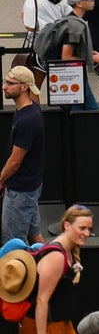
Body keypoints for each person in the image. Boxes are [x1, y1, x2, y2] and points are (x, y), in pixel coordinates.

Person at [0, 68, 44, 244]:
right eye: (5, 82)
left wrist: (1, 180)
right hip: (30, 187)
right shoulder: (30, 110)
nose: (4, 87)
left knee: (12, 243)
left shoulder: (27, 120)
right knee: (35, 236)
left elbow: (15, 161)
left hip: (20, 191)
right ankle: (55, 265)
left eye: (10, 83)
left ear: (25, 87)